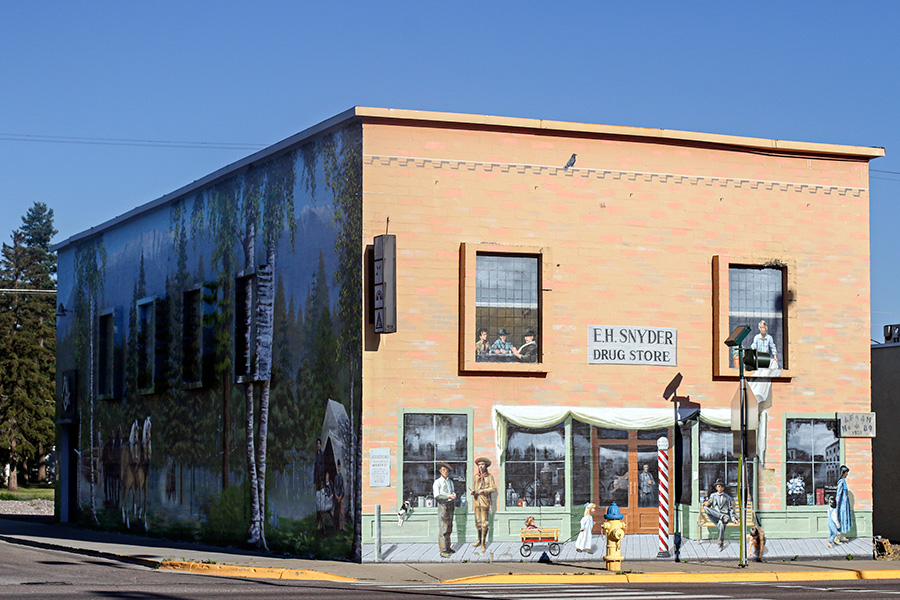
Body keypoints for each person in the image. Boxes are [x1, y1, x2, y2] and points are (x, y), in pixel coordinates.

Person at [470, 457, 496, 552]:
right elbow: (475, 488)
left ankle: (483, 543)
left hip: (485, 501)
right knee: (478, 522)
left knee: (484, 523)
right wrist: (474, 492)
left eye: (482, 464)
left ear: (486, 466)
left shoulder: (490, 477)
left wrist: (483, 491)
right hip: (477, 502)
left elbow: (493, 488)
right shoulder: (476, 477)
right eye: (479, 465)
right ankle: (479, 540)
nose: (481, 466)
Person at [703, 479, 736, 551]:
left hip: (725, 517)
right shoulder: (713, 495)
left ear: (723, 488)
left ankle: (720, 543)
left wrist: (733, 519)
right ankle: (721, 516)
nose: (720, 488)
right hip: (715, 516)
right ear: (716, 488)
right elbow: (709, 503)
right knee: (705, 508)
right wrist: (706, 503)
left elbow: (730, 509)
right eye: (718, 486)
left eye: (721, 487)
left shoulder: (727, 497)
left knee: (721, 524)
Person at [433, 462, 457, 558]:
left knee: (449, 528)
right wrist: (448, 496)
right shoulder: (437, 482)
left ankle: (448, 547)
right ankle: (443, 550)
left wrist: (453, 495)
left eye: (447, 470)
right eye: (443, 470)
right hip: (443, 506)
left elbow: (452, 492)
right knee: (443, 529)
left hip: (451, 505)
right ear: (440, 471)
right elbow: (437, 496)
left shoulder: (450, 482)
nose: (445, 472)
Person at [835, 465, 852, 542]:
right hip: (841, 506)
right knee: (841, 520)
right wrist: (836, 506)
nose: (847, 474)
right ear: (843, 473)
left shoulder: (844, 481)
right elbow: (838, 495)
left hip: (845, 505)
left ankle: (842, 536)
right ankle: (837, 538)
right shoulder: (841, 482)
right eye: (846, 473)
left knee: (845, 520)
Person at [333, 459, 345, 531]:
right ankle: (336, 526)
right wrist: (336, 495)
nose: (339, 468)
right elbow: (335, 486)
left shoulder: (341, 477)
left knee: (342, 511)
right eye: (338, 467)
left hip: (341, 495)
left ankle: (342, 525)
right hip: (336, 495)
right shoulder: (336, 477)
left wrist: (341, 495)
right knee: (336, 511)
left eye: (339, 467)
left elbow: (342, 487)